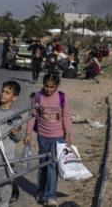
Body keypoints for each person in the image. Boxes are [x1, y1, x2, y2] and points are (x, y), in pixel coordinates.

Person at [25, 73, 72, 207]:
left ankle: (50, 195)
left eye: (52, 87)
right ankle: (41, 190)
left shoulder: (62, 97)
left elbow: (66, 116)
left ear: (57, 86)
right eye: (46, 86)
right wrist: (28, 134)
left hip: (58, 137)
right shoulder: (37, 97)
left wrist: (68, 134)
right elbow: (32, 116)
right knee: (43, 165)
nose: (48, 89)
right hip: (42, 136)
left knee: (53, 165)